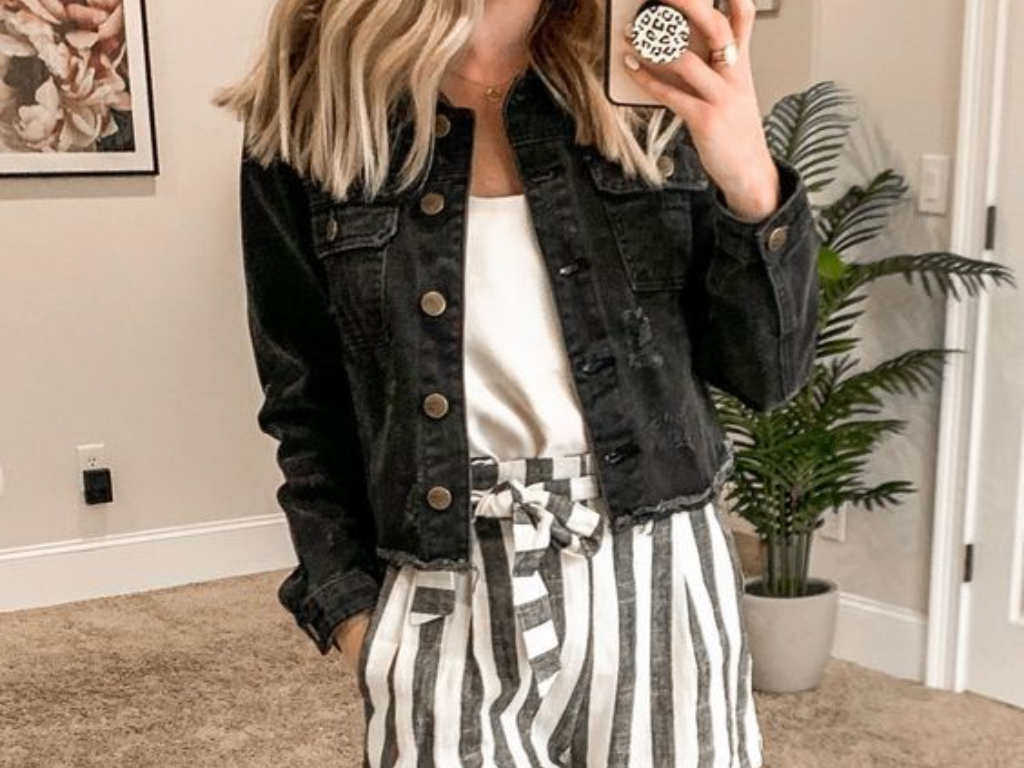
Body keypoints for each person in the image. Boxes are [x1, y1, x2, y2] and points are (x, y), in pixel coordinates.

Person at [214, 0, 819, 765]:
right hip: (443, 581)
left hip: (659, 571)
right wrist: (354, 616)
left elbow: (768, 377)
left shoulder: (647, 80)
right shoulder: (319, 103)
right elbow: (305, 398)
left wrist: (747, 176)